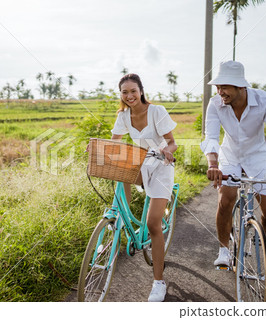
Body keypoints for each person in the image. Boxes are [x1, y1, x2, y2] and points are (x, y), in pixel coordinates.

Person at [200, 61, 266, 267]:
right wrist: (213, 164)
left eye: (224, 87)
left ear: (240, 87)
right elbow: (210, 137)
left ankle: (265, 238)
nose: (220, 92)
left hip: (257, 155)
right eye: (218, 87)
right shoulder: (215, 103)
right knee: (226, 198)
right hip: (229, 154)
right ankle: (224, 250)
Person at [110, 73, 177, 302]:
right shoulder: (123, 116)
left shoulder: (157, 111)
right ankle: (121, 216)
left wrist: (167, 150)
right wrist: (97, 149)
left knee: (152, 224)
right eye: (124, 92)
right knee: (120, 171)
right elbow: (114, 142)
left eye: (133, 91)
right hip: (141, 165)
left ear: (141, 91)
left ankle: (158, 281)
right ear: (121, 95)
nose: (129, 96)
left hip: (160, 166)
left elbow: (172, 141)